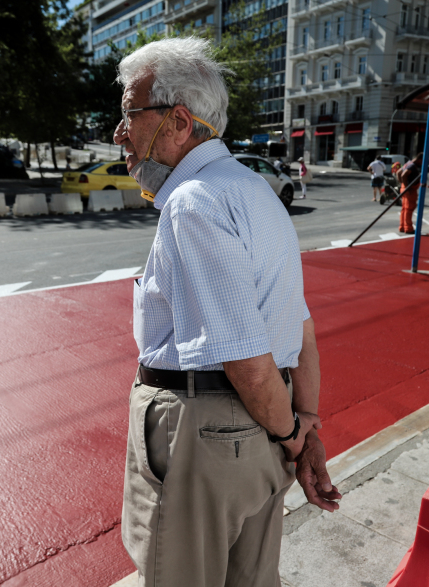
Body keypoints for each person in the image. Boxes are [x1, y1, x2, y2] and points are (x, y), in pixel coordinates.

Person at [112, 37, 340, 587]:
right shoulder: (256, 192)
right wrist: (302, 429)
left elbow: (245, 360)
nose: (120, 132)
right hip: (266, 428)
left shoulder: (192, 202)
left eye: (128, 113)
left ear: (179, 121)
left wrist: (292, 436)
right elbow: (300, 327)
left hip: (208, 435)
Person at [396, 153, 423, 234]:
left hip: (404, 188)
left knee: (404, 208)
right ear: (420, 159)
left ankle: (402, 226)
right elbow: (403, 175)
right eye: (422, 161)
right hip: (410, 189)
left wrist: (402, 184)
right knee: (409, 208)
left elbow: (398, 172)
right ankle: (408, 228)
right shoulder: (412, 166)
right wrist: (407, 187)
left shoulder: (408, 163)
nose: (422, 164)